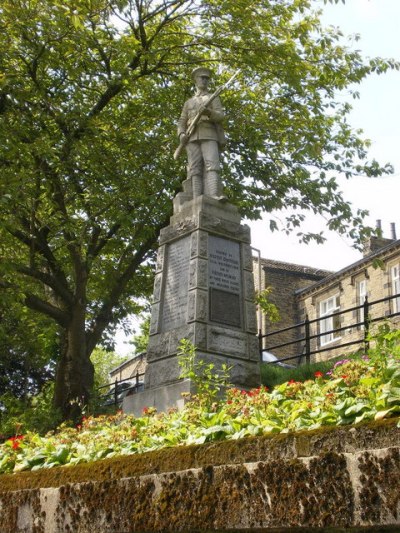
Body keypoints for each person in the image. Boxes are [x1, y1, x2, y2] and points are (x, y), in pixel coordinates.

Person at [177, 67, 226, 199]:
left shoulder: (213, 98)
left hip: (209, 134)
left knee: (212, 164)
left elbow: (220, 116)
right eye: (201, 78)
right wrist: (181, 134)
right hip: (191, 136)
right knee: (194, 168)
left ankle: (214, 195)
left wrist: (208, 113)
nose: (204, 80)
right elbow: (182, 121)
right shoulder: (189, 102)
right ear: (195, 80)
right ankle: (196, 197)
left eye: (206, 78)